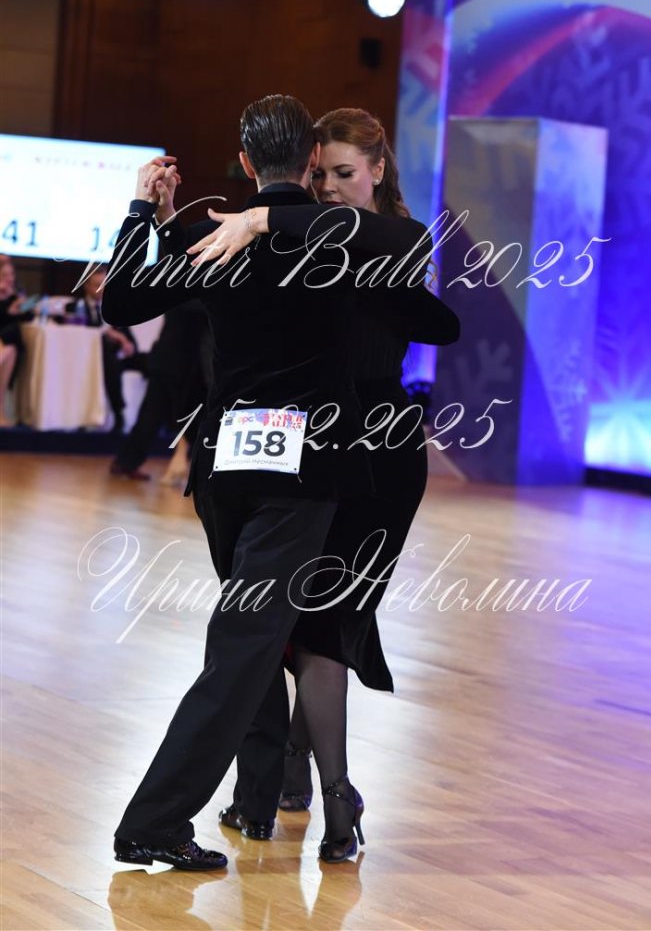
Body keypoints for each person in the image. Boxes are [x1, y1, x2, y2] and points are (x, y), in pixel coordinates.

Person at [102, 94, 452, 872]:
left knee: (251, 640)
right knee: (246, 645)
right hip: (301, 475)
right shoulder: (334, 242)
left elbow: (120, 300)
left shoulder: (217, 238)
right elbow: (408, 242)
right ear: (311, 162)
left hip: (225, 471)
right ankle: (155, 819)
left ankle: (255, 797)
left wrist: (143, 212)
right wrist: (267, 219)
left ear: (246, 161)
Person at [110, 299, 211, 481]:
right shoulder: (194, 299)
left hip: (173, 362)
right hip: (178, 365)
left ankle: (127, 462)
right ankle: (130, 462)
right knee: (159, 415)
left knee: (153, 415)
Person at [67, 267, 147, 434]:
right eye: (97, 285)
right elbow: (78, 332)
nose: (101, 289)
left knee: (157, 362)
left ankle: (162, 419)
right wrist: (106, 332)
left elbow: (129, 338)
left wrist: (128, 344)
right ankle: (118, 413)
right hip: (94, 359)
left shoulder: (115, 307)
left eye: (104, 284)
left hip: (122, 356)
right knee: (111, 363)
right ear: (86, 286)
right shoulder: (76, 307)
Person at [0, 254, 32, 426]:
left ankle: (1, 411)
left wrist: (20, 305)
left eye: (11, 274)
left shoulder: (16, 295)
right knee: (10, 348)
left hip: (8, 345)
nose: (9, 278)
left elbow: (28, 316)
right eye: (5, 275)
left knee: (11, 348)